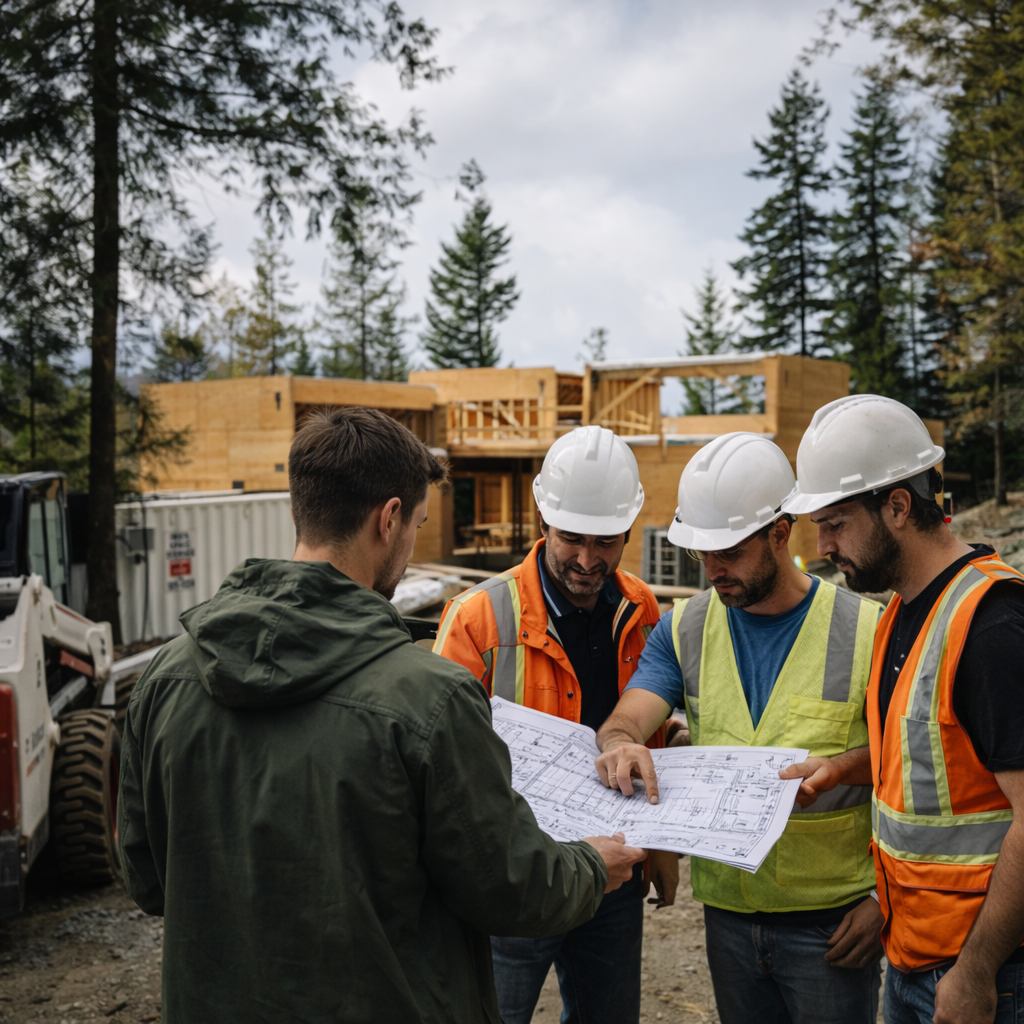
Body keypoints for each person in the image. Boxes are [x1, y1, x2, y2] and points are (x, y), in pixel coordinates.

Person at [117, 407, 647, 1024]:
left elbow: (149, 880)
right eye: (419, 522)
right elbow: (503, 884)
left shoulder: (164, 679)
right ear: (389, 519)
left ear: (299, 510)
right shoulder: (430, 698)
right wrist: (588, 866)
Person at [594, 431, 886, 1024]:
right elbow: (626, 719)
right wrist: (621, 744)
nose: (712, 569)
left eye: (728, 551)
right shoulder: (685, 629)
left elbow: (909, 771)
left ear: (780, 534)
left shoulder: (869, 631)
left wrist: (886, 899)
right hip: (728, 915)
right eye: (702, 553)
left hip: (834, 922)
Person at [780, 394, 1024, 1024]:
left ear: (897, 506)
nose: (822, 544)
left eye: (835, 523)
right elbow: (932, 757)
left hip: (988, 970)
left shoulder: (992, 626)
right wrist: (840, 769)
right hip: (914, 957)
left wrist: (974, 975)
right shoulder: (899, 611)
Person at [433, 425, 676, 1024]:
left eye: (607, 541)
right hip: (514, 875)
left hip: (614, 871)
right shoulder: (479, 618)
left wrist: (661, 850)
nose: (588, 560)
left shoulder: (642, 608)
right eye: (572, 539)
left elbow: (650, 732)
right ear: (543, 519)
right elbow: (434, 757)